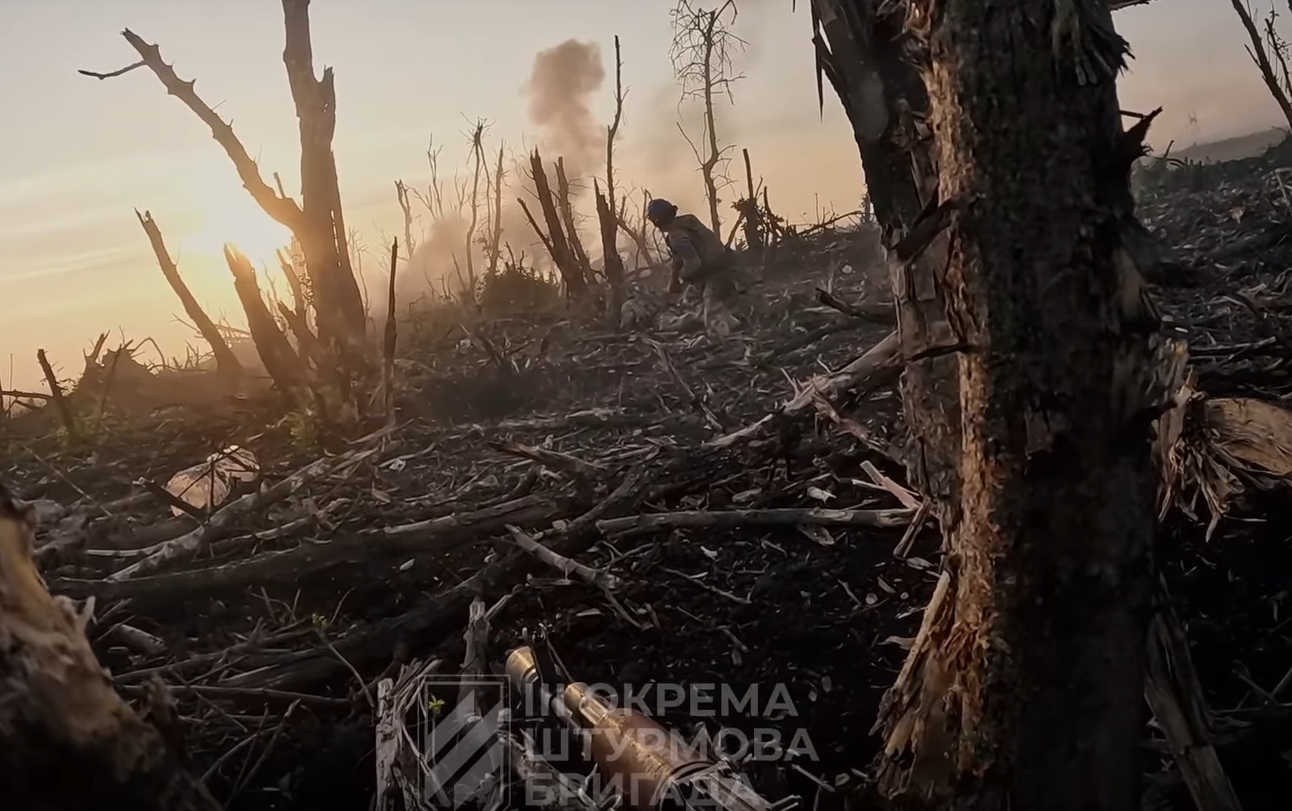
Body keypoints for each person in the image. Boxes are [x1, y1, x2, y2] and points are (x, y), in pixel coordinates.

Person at [645, 198, 741, 336]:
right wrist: (675, 277)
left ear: (657, 222)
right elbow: (682, 256)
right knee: (691, 299)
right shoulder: (688, 221)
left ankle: (723, 337)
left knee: (714, 322)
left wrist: (682, 276)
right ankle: (729, 322)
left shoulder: (677, 237)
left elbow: (693, 263)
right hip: (721, 267)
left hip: (716, 274)